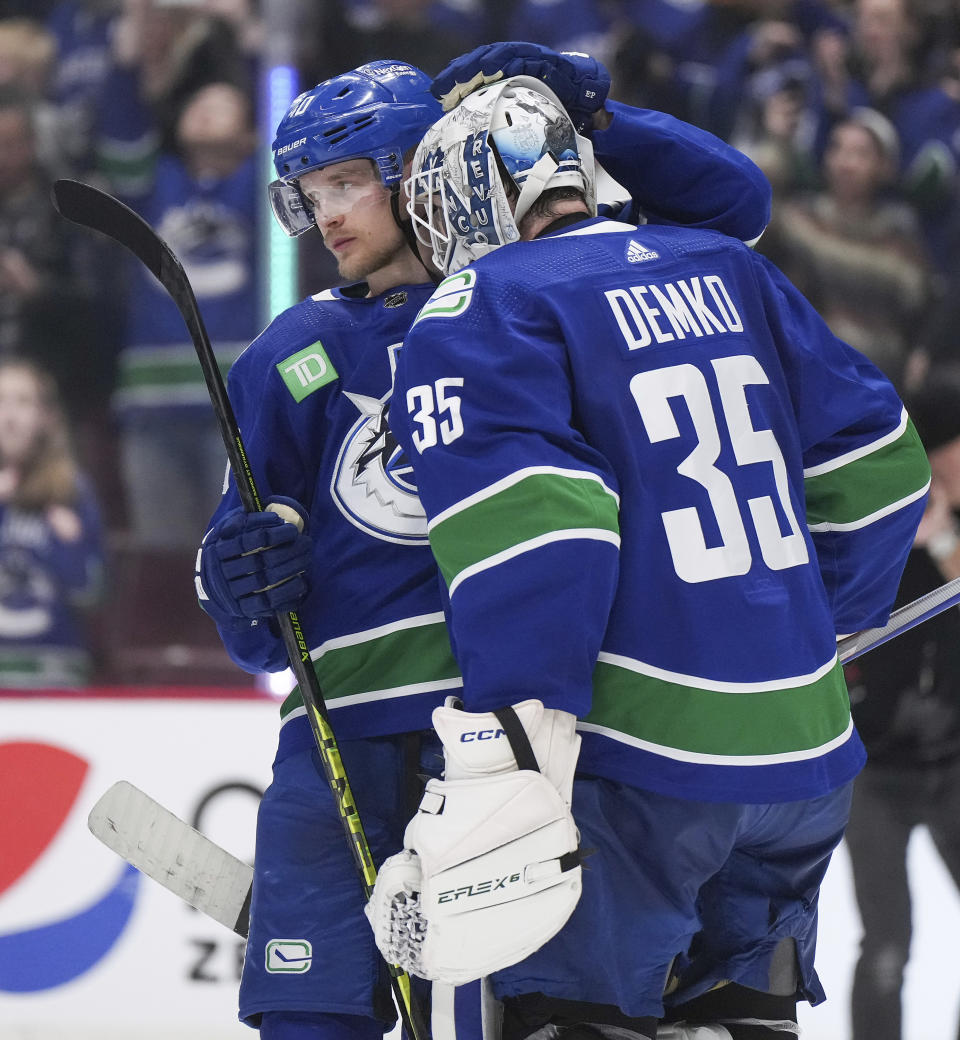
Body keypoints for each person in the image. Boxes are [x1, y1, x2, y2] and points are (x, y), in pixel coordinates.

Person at [193, 44, 775, 1040]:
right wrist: (237, 579)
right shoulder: (292, 356)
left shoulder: (554, 289)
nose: (327, 215)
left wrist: (595, 118)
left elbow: (734, 211)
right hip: (339, 731)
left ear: (422, 169)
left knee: (527, 1016)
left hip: (518, 735)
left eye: (348, 182)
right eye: (310, 194)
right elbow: (245, 622)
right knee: (306, 1013)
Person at [371, 73, 932, 1040]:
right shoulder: (725, 264)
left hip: (646, 760)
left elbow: (544, 527)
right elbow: (881, 462)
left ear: (465, 197)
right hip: (805, 757)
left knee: (577, 1019)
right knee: (746, 1018)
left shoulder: (480, 300)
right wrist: (827, 618)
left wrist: (508, 733)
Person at [842, 367, 960, 1040]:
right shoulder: (877, 517)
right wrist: (901, 534)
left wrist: (943, 538)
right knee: (887, 943)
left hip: (951, 755)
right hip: (877, 768)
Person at [0, 358, 104, 686]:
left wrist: (68, 545)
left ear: (46, 416)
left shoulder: (71, 490)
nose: (11, 416)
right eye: (1, 401)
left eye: (23, 402)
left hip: (55, 670)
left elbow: (91, 592)